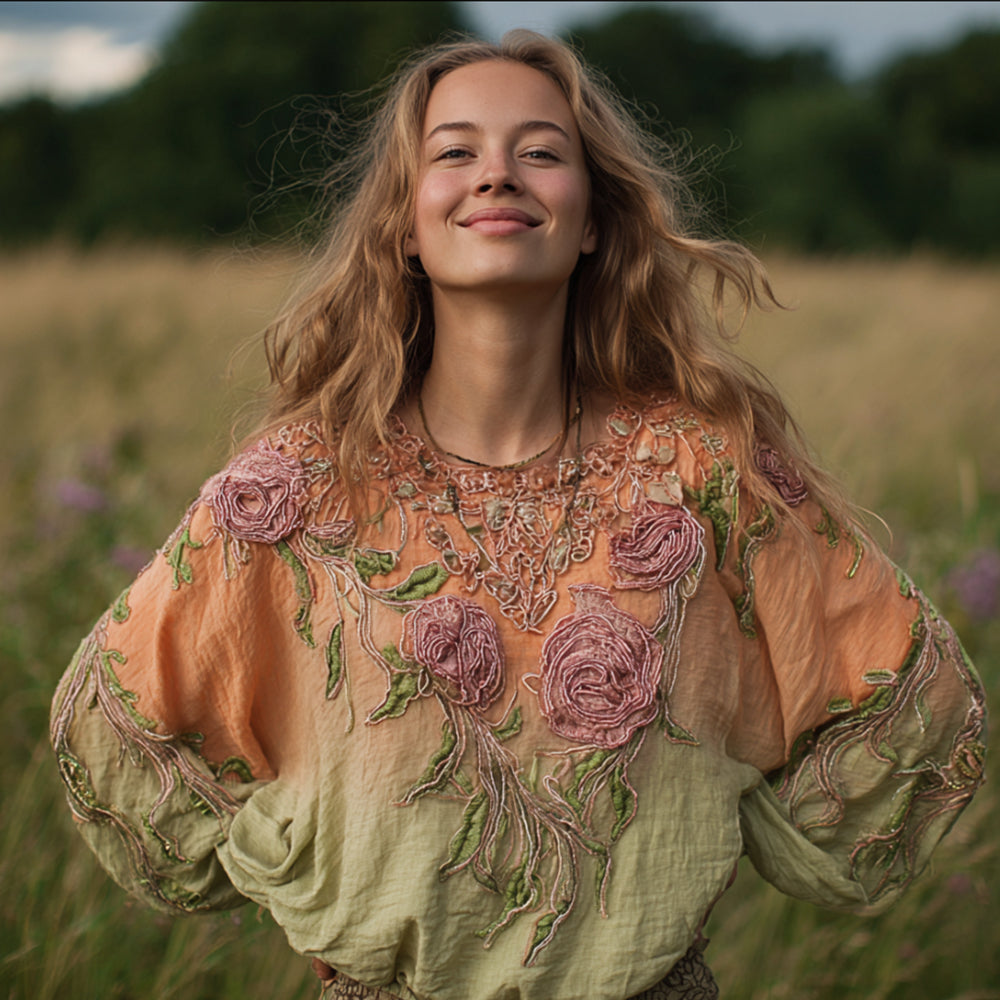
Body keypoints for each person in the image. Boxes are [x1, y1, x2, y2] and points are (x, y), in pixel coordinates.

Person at [50, 30, 985, 1000]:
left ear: (591, 220)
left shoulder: (704, 469)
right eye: (454, 152)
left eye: (539, 151)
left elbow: (906, 703)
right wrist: (307, 853)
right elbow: (125, 723)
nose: (496, 175)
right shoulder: (300, 484)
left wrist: (710, 810)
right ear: (405, 222)